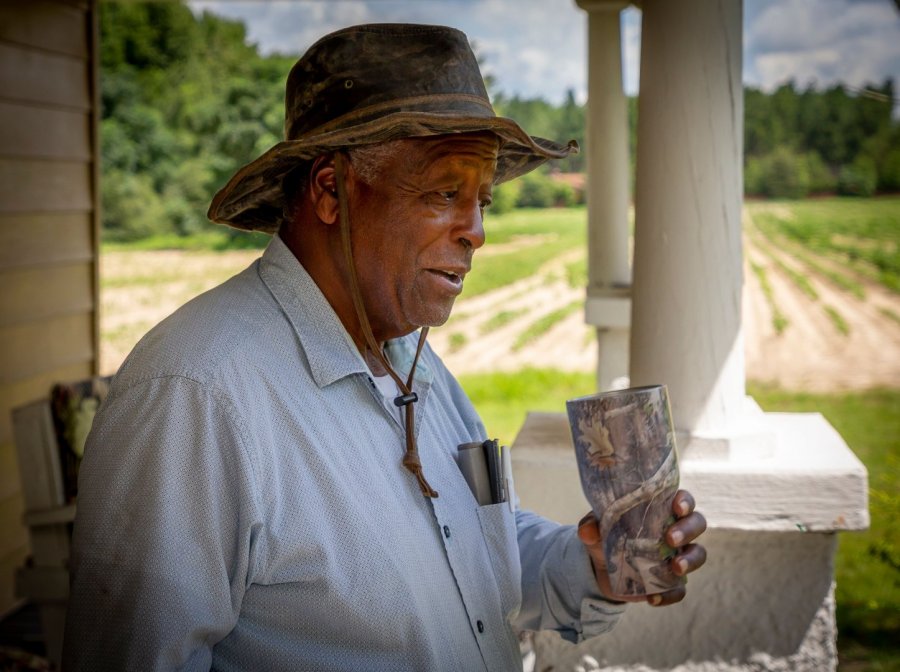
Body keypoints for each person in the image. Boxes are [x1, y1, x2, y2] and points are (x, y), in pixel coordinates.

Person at [64, 23, 706, 671]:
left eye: (481, 200)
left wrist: (588, 563)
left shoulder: (410, 364)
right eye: (444, 193)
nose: (476, 232)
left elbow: (473, 553)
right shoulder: (196, 396)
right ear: (330, 191)